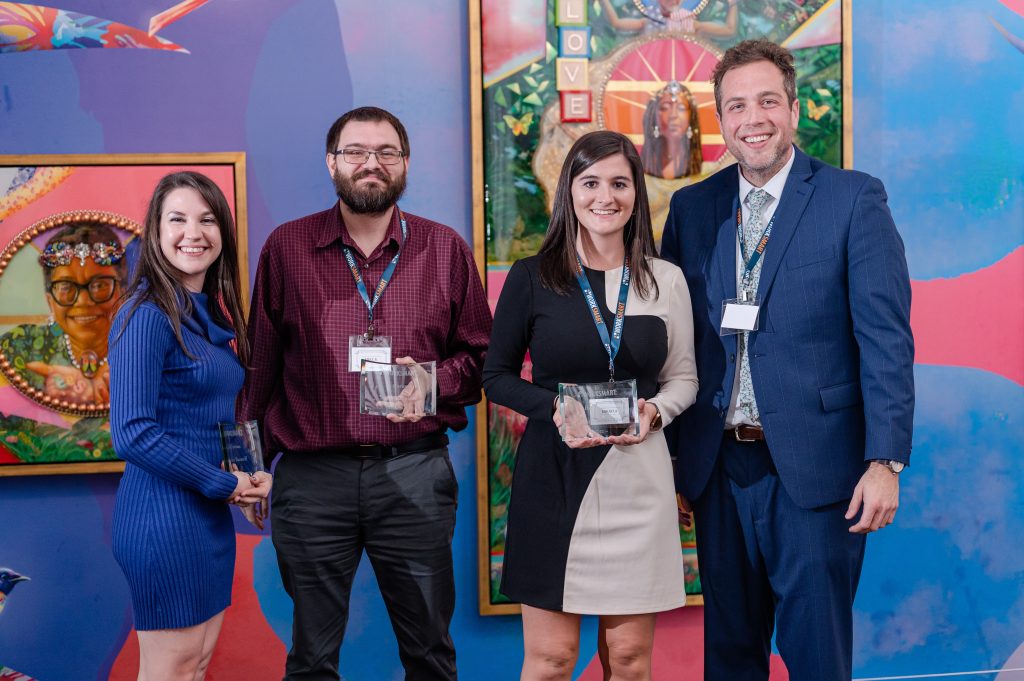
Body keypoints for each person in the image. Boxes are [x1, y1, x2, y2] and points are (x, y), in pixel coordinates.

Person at [660, 40, 914, 681]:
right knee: (730, 659)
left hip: (818, 474)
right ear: (721, 121)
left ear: (795, 109)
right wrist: (673, 459)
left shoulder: (853, 199)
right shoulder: (691, 210)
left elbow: (886, 339)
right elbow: (673, 340)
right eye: (737, 106)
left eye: (768, 101)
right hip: (718, 473)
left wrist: (885, 460)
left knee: (818, 659)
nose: (754, 118)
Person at [239, 106, 491, 681]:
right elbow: (261, 368)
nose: (370, 163)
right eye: (355, 151)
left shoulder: (445, 249)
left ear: (405, 164)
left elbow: (481, 363)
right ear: (332, 163)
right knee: (311, 658)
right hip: (311, 479)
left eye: (386, 152)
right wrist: (251, 465)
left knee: (429, 651)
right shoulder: (287, 248)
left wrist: (430, 383)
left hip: (414, 471)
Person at [483, 130, 698, 681]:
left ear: (637, 193)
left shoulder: (665, 279)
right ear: (570, 191)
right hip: (553, 480)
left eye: (620, 183)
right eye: (591, 182)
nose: (606, 196)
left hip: (638, 481)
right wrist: (554, 407)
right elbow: (497, 377)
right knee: (551, 661)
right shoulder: (532, 277)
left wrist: (655, 412)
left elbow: (683, 379)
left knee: (628, 663)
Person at [109, 171, 272, 681]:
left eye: (206, 219)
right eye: (176, 219)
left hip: (205, 517)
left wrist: (248, 478)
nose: (192, 232)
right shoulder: (147, 314)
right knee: (172, 669)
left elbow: (210, 420)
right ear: (156, 233)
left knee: (195, 666)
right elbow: (132, 432)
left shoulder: (204, 315)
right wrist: (226, 484)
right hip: (163, 518)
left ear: (222, 230)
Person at [0, 222, 127, 407]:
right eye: (66, 287)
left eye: (100, 285)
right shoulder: (17, 347)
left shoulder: (148, 348)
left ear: (123, 293)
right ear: (50, 300)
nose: (83, 301)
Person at [641, 80, 703, 179]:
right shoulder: (640, 171)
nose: (673, 115)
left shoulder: (707, 171)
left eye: (681, 108)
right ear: (654, 116)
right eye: (665, 107)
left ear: (691, 116)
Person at [600, 0, 738, 37]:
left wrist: (733, 3)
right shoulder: (648, 22)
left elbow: (729, 30)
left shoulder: (690, 24)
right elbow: (616, 23)